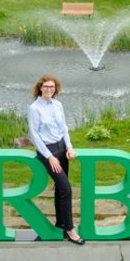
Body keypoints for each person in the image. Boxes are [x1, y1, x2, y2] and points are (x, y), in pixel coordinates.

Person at [27, 75, 86, 245]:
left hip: (61, 149)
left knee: (60, 190)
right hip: (48, 151)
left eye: (52, 87)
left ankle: (60, 222)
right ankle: (70, 229)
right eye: (46, 86)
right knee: (66, 189)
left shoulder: (58, 104)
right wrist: (49, 156)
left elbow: (64, 128)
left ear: (56, 89)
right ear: (40, 88)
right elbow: (34, 135)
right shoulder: (34, 108)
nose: (49, 89)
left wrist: (69, 147)